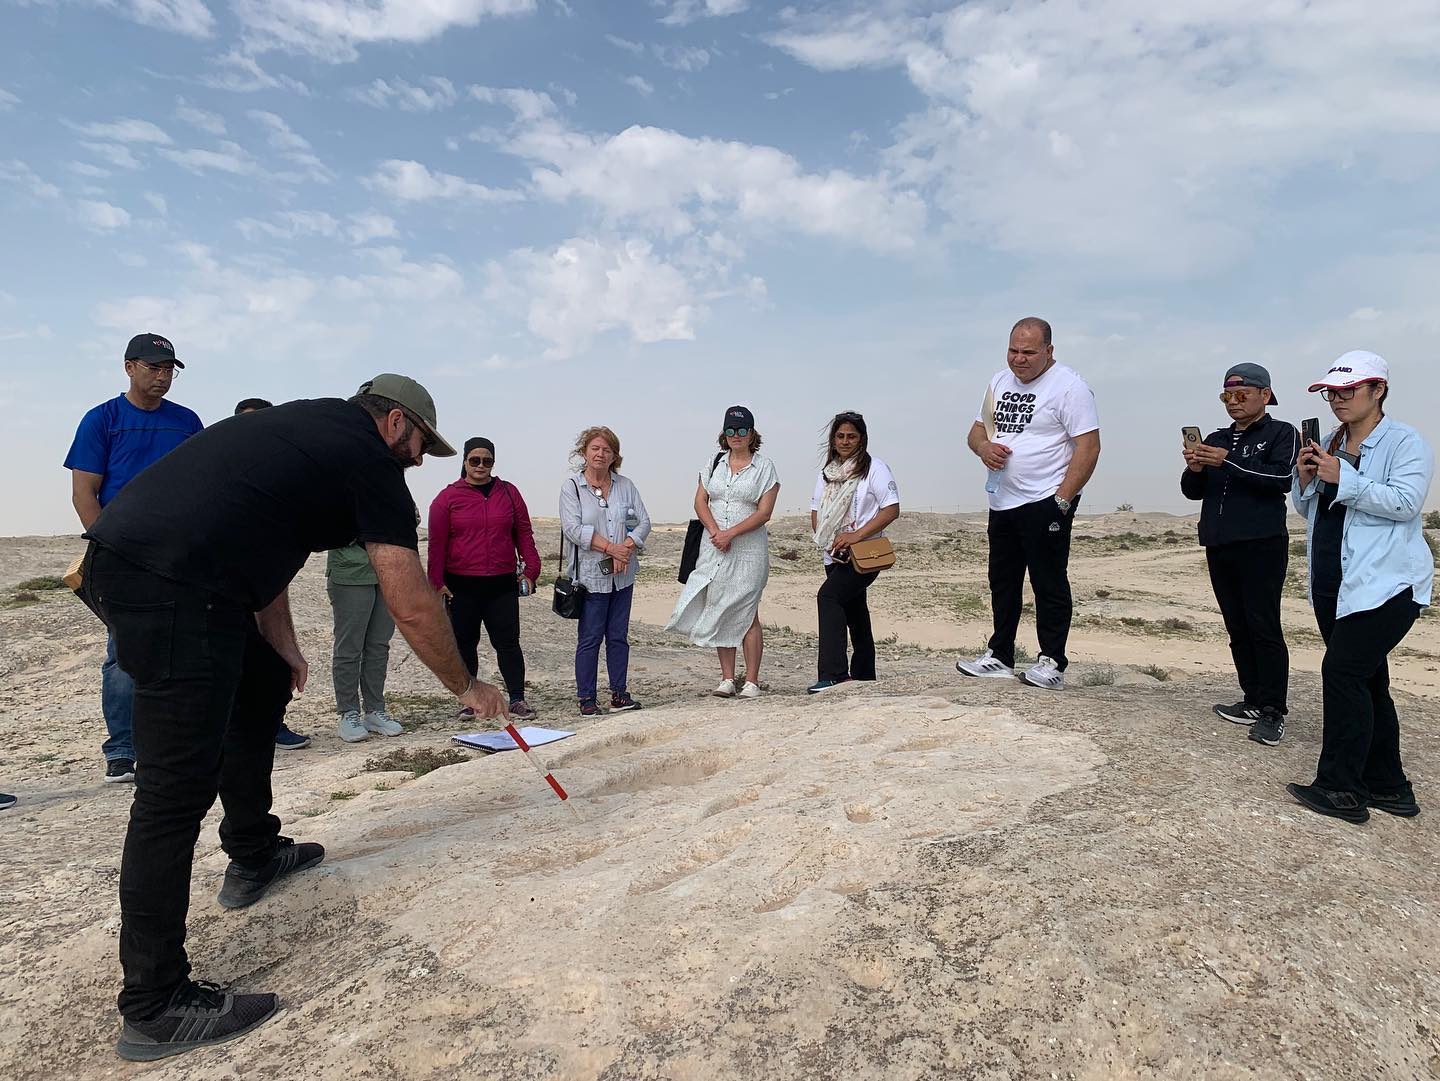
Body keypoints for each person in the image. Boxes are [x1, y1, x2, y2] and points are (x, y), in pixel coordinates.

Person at [80, 374, 509, 1060]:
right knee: (173, 791)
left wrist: (278, 642)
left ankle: (253, 853)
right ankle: (155, 1003)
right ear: (396, 422)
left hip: (152, 566)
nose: (420, 461)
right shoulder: (369, 458)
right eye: (421, 443)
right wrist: (467, 684)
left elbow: (259, 533)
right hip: (169, 584)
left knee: (261, 684)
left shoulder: (312, 430)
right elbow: (408, 593)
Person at [1286, 351, 1433, 824]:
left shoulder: (1405, 441)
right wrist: (1307, 480)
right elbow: (1312, 512)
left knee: (1344, 673)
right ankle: (1390, 787)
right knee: (1369, 680)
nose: (1338, 399)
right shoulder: (1330, 440)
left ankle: (1341, 789)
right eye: (1332, 391)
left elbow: (1407, 503)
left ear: (1378, 391)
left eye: (1349, 390)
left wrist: (1342, 477)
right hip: (1336, 582)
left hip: (1387, 583)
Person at [64, 332, 203, 784]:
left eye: (168, 369)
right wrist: (109, 544)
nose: (162, 376)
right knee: (122, 651)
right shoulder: (102, 419)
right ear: (129, 367)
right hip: (120, 550)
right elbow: (84, 492)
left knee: (183, 647)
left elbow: (203, 485)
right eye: (153, 367)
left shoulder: (186, 422)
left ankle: (173, 741)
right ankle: (122, 748)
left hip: (179, 551)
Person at [956, 317, 1100, 690]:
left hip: (1044, 500)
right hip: (1002, 499)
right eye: (1013, 351)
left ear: (1049, 351)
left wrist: (1062, 500)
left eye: (1029, 352)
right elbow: (976, 432)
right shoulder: (999, 382)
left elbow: (1089, 446)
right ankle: (1000, 655)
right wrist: (984, 448)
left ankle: (1052, 661)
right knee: (1002, 582)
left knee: (1048, 582)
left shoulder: (1070, 387)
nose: (1019, 360)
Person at [1182, 363, 1299, 746]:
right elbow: (1193, 492)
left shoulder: (1282, 433)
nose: (1233, 402)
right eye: (1227, 396)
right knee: (1237, 626)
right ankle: (1251, 698)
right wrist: (1196, 467)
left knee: (1263, 625)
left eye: (1241, 394)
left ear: (1265, 395)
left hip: (1261, 543)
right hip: (1220, 543)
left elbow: (1281, 479)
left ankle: (1272, 710)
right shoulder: (1217, 438)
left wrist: (1226, 461)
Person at [666, 406, 781, 698]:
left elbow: (764, 512)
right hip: (714, 546)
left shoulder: (764, 467)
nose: (736, 436)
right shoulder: (714, 462)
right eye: (731, 430)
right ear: (724, 433)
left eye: (742, 431)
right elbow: (700, 501)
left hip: (748, 551)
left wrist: (731, 533)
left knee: (746, 609)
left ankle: (752, 681)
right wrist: (717, 531)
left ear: (752, 433)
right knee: (720, 606)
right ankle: (728, 678)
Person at [428, 437, 542, 720]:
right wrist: (436, 581)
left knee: (508, 643)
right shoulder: (448, 498)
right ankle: (470, 701)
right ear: (465, 461)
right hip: (461, 585)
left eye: (487, 460)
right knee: (465, 644)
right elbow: (436, 544)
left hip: (501, 583)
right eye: (474, 460)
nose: (480, 466)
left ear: (493, 462)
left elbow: (524, 534)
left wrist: (531, 569)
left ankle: (517, 698)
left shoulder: (508, 493)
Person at [233, 396, 310, 750]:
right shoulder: (222, 470)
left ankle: (272, 724)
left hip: (264, 585)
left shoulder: (282, 477)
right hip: (221, 589)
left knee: (272, 654)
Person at [559, 426, 652, 716]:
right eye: (595, 448)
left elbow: (642, 522)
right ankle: (586, 697)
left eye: (607, 450)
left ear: (615, 456)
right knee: (589, 639)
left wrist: (626, 546)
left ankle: (619, 694)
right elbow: (574, 529)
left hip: (623, 576)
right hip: (590, 578)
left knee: (618, 637)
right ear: (584, 452)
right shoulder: (572, 487)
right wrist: (612, 549)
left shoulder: (625, 486)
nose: (601, 454)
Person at [807, 411, 901, 693]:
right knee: (855, 609)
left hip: (865, 552)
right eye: (840, 436)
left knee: (828, 596)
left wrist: (854, 536)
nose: (845, 441)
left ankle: (834, 674)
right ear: (833, 440)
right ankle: (864, 675)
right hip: (834, 553)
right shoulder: (828, 473)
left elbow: (892, 509)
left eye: (851, 436)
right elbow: (815, 510)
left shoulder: (875, 469)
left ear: (862, 439)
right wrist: (829, 540)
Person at [327, 542, 402, 741]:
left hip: (388, 570)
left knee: (379, 645)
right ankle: (348, 712)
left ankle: (375, 710)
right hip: (350, 571)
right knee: (350, 646)